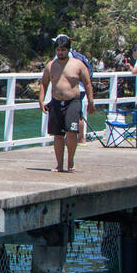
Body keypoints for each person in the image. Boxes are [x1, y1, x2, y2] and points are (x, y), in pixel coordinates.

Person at [40, 35, 95, 172]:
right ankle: (59, 164)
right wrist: (41, 100)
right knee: (57, 135)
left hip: (73, 102)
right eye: (58, 50)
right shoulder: (50, 66)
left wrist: (91, 102)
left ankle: (70, 161)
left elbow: (88, 84)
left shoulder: (78, 65)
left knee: (71, 132)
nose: (60, 53)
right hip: (56, 102)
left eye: (63, 50)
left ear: (68, 50)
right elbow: (44, 83)